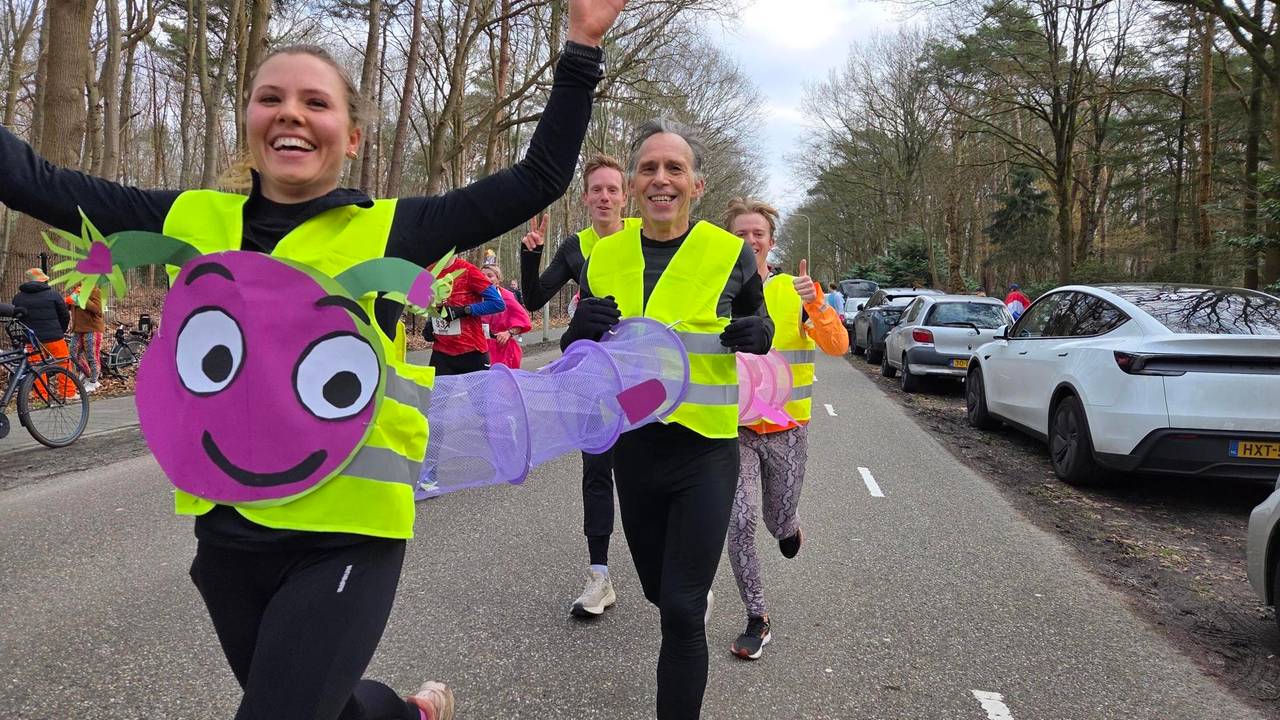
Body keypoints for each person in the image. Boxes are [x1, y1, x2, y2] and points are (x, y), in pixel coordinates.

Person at [0, 0, 622, 715]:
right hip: (229, 534)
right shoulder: (190, 222)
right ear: (251, 122)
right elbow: (37, 182)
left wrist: (581, 46)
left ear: (351, 136)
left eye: (314, 102)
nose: (290, 112)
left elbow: (539, 177)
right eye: (272, 98)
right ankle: (412, 712)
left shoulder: (393, 230)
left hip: (347, 535)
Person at [564, 118, 773, 719]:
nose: (661, 179)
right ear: (632, 185)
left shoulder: (729, 253)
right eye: (649, 168)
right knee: (660, 592)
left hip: (706, 450)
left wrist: (759, 334)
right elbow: (590, 353)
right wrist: (580, 337)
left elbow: (761, 327)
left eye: (674, 168)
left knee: (681, 611)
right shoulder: (604, 256)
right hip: (634, 447)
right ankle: (684, 591)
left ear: (697, 184)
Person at [722, 198, 848, 660]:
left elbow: (837, 347)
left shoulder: (796, 291)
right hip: (734, 429)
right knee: (740, 518)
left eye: (757, 234)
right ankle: (757, 615)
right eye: (740, 234)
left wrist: (817, 306)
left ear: (770, 241)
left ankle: (790, 526)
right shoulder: (713, 290)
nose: (749, 241)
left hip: (788, 429)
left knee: (776, 520)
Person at [519, 152, 641, 617]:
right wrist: (530, 256)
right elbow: (532, 299)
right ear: (586, 198)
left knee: (651, 468)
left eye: (613, 189)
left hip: (643, 382)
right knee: (596, 473)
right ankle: (599, 577)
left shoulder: (646, 237)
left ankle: (675, 572)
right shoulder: (577, 246)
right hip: (593, 381)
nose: (605, 196)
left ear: (625, 195)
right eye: (597, 190)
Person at [424, 255, 504, 375]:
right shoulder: (428, 272)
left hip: (472, 352)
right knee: (437, 394)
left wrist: (464, 310)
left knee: (478, 395)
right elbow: (429, 303)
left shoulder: (468, 271)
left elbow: (497, 303)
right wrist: (430, 323)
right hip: (441, 353)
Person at [11, 267, 75, 398]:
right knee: (63, 364)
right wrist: (60, 330)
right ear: (43, 280)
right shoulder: (53, 294)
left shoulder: (18, 298)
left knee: (36, 367)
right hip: (54, 337)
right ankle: (68, 393)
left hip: (31, 339)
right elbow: (64, 315)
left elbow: (17, 317)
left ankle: (41, 396)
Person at [479, 263, 531, 368]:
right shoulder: (473, 297)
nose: (485, 278)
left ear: (498, 280)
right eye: (482, 275)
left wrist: (509, 332)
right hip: (479, 349)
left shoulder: (506, 297)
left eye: (490, 275)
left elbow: (524, 321)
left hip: (501, 350)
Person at [66, 284, 105, 392]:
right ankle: (89, 376)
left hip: (92, 328)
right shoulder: (76, 291)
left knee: (92, 356)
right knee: (73, 354)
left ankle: (93, 382)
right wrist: (68, 302)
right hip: (78, 329)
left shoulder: (95, 290)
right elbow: (70, 307)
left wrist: (82, 298)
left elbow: (98, 310)